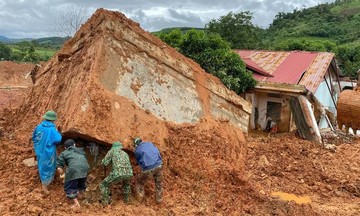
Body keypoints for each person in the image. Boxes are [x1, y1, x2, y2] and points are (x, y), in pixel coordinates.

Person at [32, 110, 62, 195]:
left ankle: (47, 180)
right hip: (47, 151)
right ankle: (44, 186)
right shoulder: (51, 129)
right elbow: (58, 139)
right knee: (47, 166)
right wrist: (58, 132)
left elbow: (34, 138)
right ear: (53, 120)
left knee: (41, 164)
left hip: (39, 149)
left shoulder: (39, 127)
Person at [56, 139, 90, 208]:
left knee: (69, 187)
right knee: (81, 183)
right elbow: (83, 160)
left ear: (65, 148)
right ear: (74, 145)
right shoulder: (81, 151)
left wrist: (62, 174)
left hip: (74, 169)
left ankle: (76, 204)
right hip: (85, 168)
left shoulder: (64, 153)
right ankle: (82, 197)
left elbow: (59, 166)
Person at [133, 137, 163, 204]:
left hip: (149, 167)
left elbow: (139, 161)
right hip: (159, 164)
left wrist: (143, 169)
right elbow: (157, 151)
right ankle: (159, 200)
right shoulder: (149, 143)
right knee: (159, 183)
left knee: (139, 182)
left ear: (136, 145)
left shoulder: (137, 150)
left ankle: (139, 200)